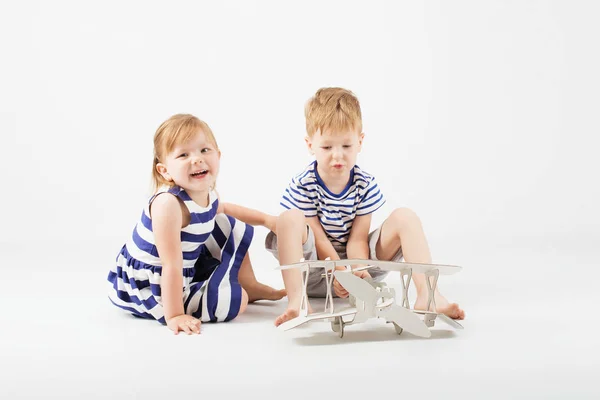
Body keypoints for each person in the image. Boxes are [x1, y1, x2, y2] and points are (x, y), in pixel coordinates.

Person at [225, 87, 465, 327]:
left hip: (358, 268)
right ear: (310, 145)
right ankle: (297, 301)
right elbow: (318, 241)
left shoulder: (364, 183)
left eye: (346, 146)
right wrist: (338, 270)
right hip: (314, 269)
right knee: (290, 217)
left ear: (360, 142)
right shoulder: (304, 184)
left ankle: (428, 295)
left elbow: (358, 239)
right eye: (327, 147)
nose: (337, 156)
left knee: (405, 216)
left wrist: (356, 272)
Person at [107, 114, 285, 335]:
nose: (197, 159)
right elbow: (170, 264)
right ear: (164, 170)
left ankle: (249, 283)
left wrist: (268, 220)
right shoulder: (168, 204)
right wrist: (174, 315)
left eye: (204, 150)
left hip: (185, 266)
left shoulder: (204, 194)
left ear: (218, 155)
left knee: (227, 223)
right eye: (183, 154)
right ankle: (210, 297)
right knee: (236, 302)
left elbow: (227, 209)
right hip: (153, 283)